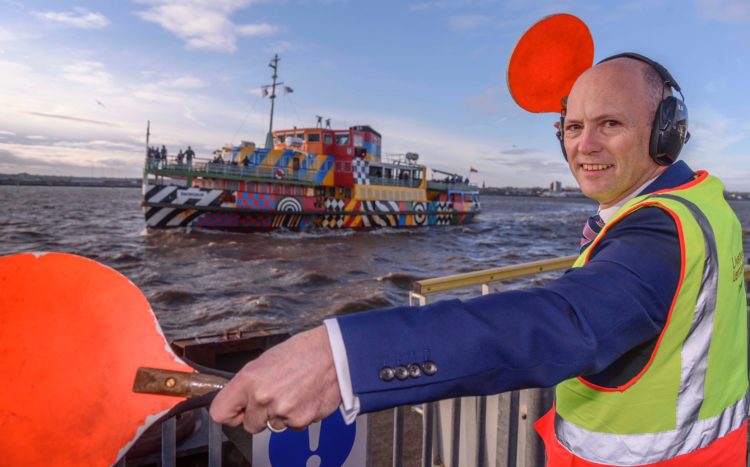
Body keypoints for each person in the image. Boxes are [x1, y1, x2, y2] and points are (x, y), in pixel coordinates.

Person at [210, 54, 747, 466]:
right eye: (573, 126)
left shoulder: (660, 231)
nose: (584, 145)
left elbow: (566, 321)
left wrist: (341, 359)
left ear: (665, 132)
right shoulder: (702, 202)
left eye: (610, 124)